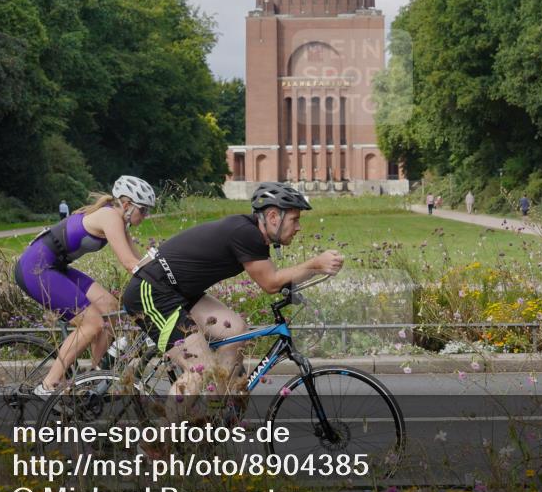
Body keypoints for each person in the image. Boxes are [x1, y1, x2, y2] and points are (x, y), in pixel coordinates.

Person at [122, 182, 343, 412]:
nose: (298, 227)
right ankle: (157, 443)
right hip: (152, 290)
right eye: (294, 219)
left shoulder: (250, 233)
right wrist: (316, 264)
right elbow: (271, 282)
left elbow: (276, 280)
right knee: (201, 368)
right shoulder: (246, 233)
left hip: (180, 291)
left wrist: (315, 271)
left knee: (236, 329)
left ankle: (214, 409)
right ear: (273, 216)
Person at [17, 175, 157, 396]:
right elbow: (130, 264)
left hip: (55, 266)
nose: (146, 216)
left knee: (111, 307)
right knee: (92, 324)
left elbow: (140, 262)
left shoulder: (119, 220)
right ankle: (47, 386)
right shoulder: (110, 217)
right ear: (128, 205)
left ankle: (93, 379)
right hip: (36, 268)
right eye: (144, 210)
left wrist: (165, 270)